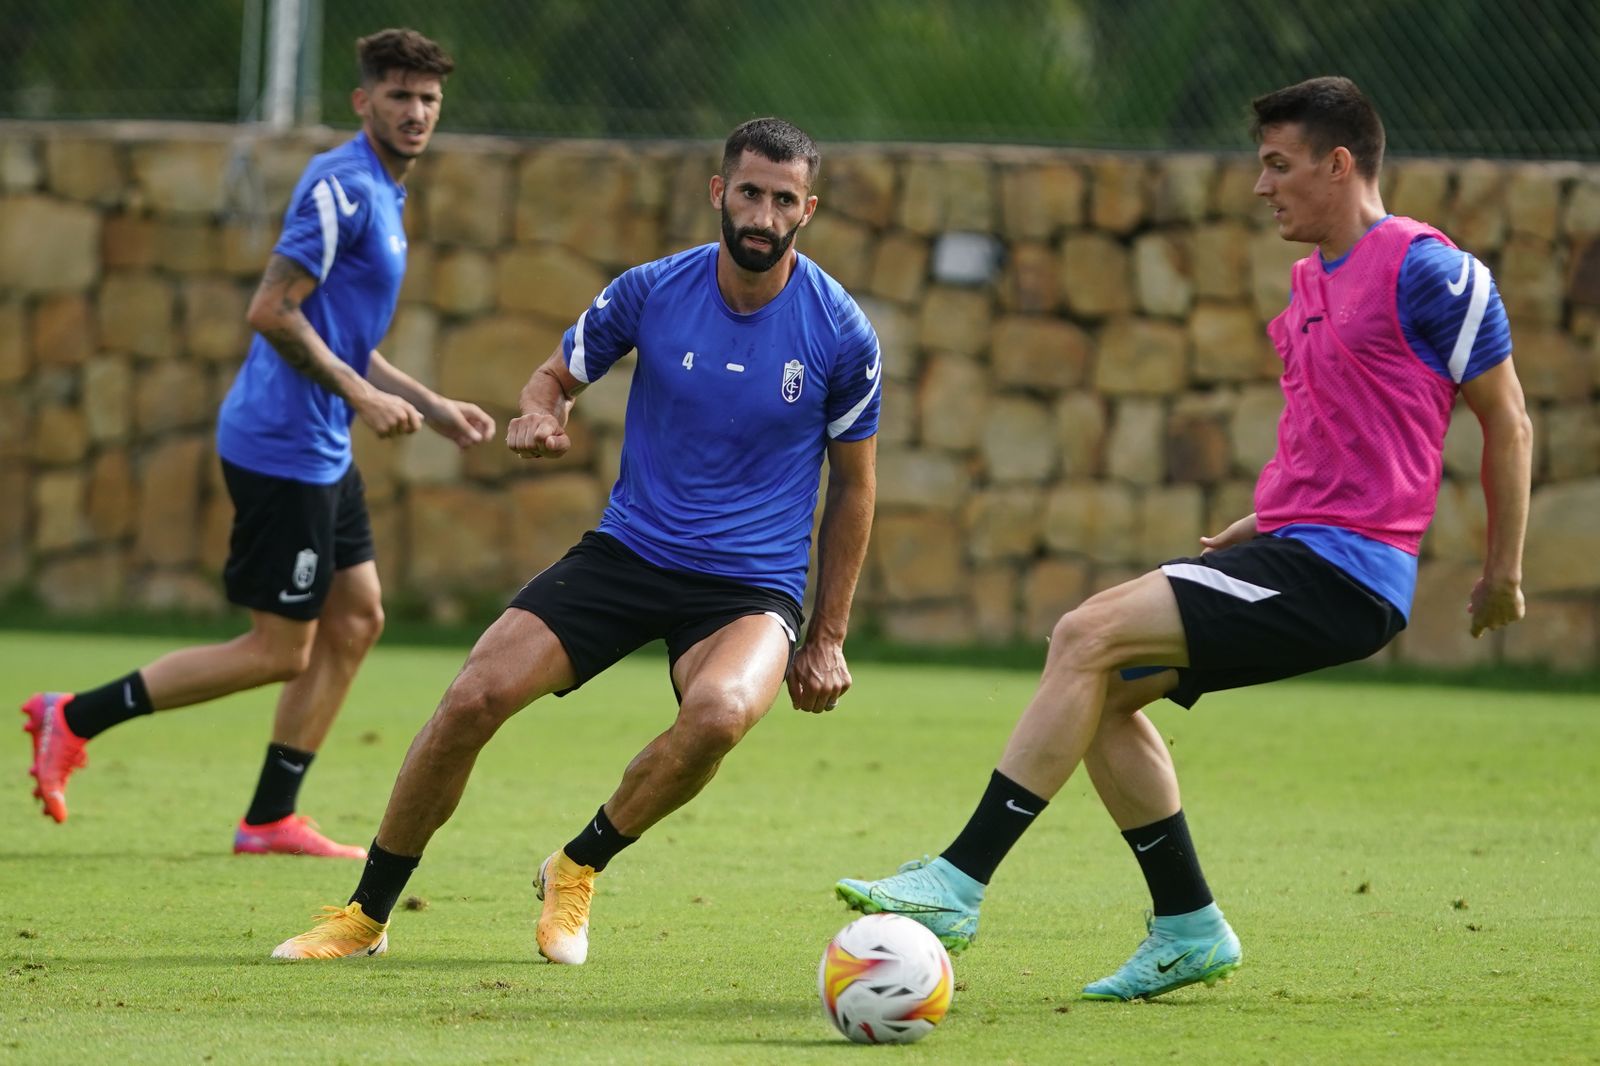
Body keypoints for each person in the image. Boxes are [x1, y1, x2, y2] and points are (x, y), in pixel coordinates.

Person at [835, 76, 1532, 1002]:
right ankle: (1189, 926)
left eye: (1279, 166)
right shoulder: (1307, 280)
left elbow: (1509, 420)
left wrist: (1504, 573)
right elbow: (1337, 429)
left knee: (1083, 634)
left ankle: (958, 882)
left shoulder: (1430, 269)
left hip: (1347, 572)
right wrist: (1268, 513)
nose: (1261, 186)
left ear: (1339, 163)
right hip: (1297, 546)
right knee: (1098, 692)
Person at [271, 116, 881, 961]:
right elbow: (554, 378)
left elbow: (854, 486)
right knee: (470, 699)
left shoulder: (840, 331)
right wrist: (537, 415)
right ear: (719, 192)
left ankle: (578, 863)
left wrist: (830, 636)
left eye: (783, 200)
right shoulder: (653, 290)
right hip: (630, 551)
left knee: (722, 713)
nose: (762, 216)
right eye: (749, 192)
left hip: (750, 583)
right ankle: (366, 915)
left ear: (806, 210)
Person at [21, 28, 494, 858]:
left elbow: (342, 329)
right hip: (282, 444)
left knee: (358, 618)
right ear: (363, 102)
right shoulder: (341, 185)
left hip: (321, 443)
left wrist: (429, 402)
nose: (415, 112)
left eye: (427, 99)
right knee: (280, 649)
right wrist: (360, 394)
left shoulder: (387, 190)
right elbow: (272, 308)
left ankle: (271, 818)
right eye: (398, 96)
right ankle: (72, 717)